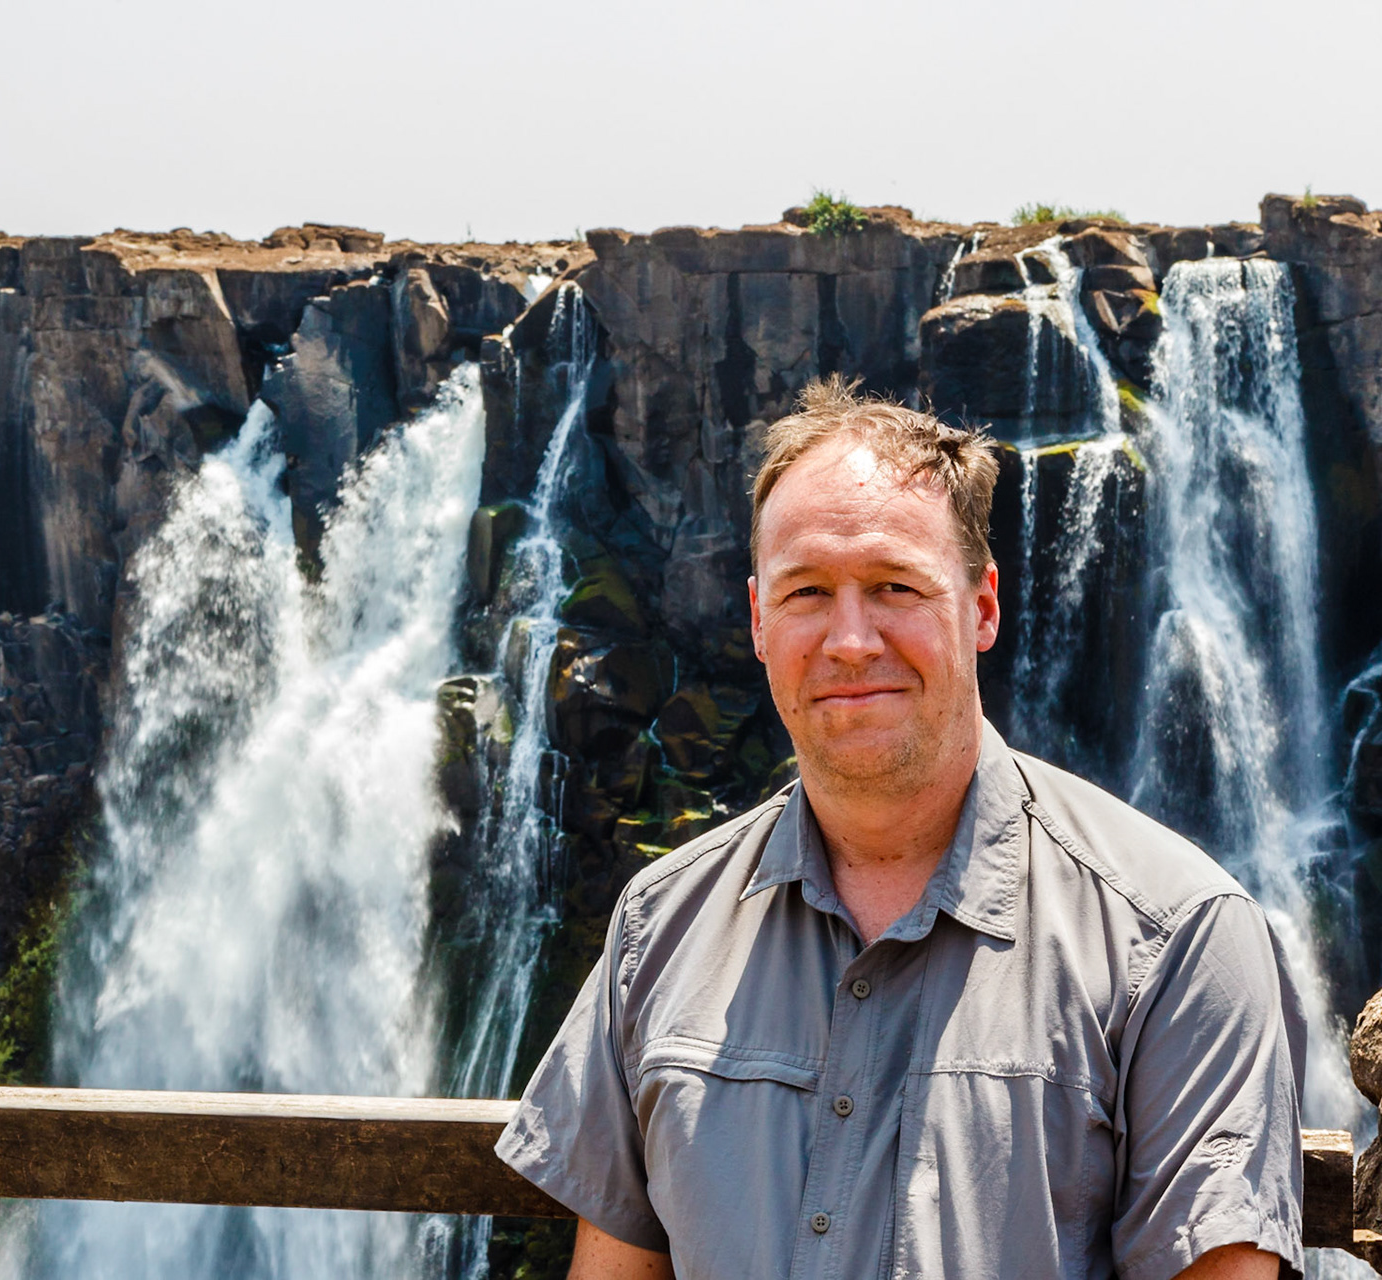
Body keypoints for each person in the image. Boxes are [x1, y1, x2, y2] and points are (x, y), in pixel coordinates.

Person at [497, 377, 1306, 1280]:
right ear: (760, 619)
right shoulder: (657, 925)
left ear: (983, 606)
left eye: (894, 584)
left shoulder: (1178, 933)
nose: (851, 640)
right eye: (808, 592)